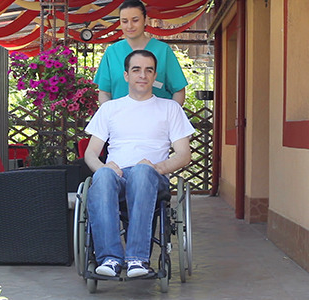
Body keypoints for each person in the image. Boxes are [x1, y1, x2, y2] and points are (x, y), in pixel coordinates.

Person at [84, 50, 195, 278]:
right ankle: (110, 259)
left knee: (143, 171)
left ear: (155, 77)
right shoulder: (110, 109)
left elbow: (184, 155)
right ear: (126, 75)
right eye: (136, 70)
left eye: (148, 70)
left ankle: (136, 259)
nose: (142, 75)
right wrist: (104, 169)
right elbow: (91, 154)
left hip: (153, 178)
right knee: (102, 176)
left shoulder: (170, 108)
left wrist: (158, 168)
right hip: (117, 177)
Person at [94, 0, 188, 106]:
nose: (130, 26)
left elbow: (179, 90)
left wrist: (169, 117)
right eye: (124, 21)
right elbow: (104, 92)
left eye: (135, 20)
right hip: (122, 120)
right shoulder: (112, 52)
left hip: (156, 120)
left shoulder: (163, 50)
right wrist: (111, 117)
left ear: (145, 20)